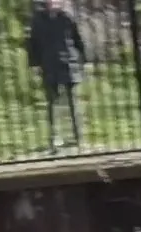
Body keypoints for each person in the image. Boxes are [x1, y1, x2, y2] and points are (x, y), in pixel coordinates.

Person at [26, 0, 87, 149]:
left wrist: (83, 59)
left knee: (73, 102)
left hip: (68, 63)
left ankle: (78, 136)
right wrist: (34, 64)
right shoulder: (38, 20)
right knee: (52, 103)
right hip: (49, 65)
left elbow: (77, 40)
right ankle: (54, 137)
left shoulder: (67, 18)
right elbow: (32, 44)